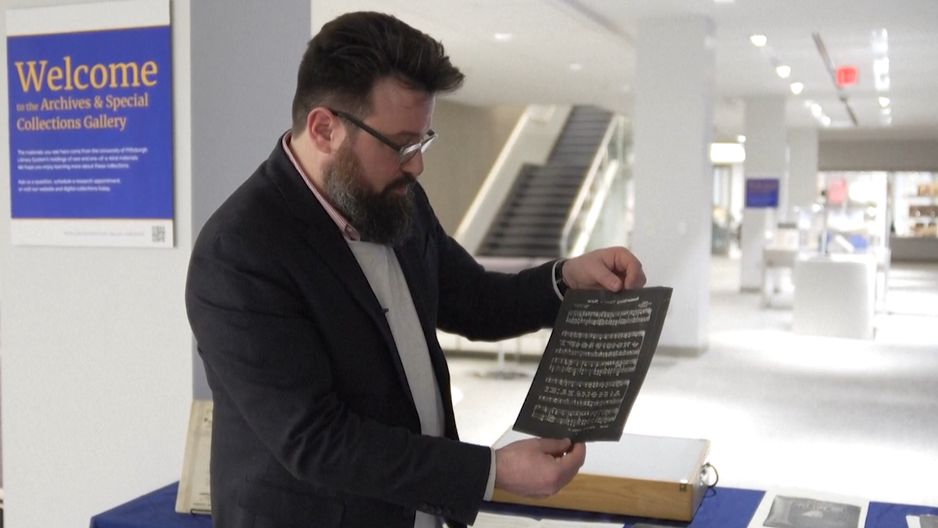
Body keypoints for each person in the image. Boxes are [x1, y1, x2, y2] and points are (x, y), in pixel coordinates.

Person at [185, 11, 645, 528]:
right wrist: (492, 473)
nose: (417, 165)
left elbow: (474, 299)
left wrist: (565, 280)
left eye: (423, 142)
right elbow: (317, 440)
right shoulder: (239, 253)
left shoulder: (393, 200)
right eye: (402, 144)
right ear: (324, 129)